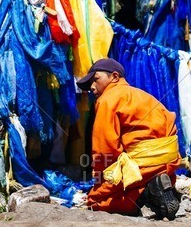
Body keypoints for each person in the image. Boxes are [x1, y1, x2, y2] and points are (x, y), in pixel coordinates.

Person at [76, 58, 181, 219]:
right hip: (166, 166)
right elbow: (171, 127)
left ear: (115, 77)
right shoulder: (146, 96)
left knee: (97, 201)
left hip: (141, 168)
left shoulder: (107, 100)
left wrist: (99, 185)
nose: (91, 87)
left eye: (95, 80)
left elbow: (105, 149)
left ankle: (144, 195)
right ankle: (157, 189)